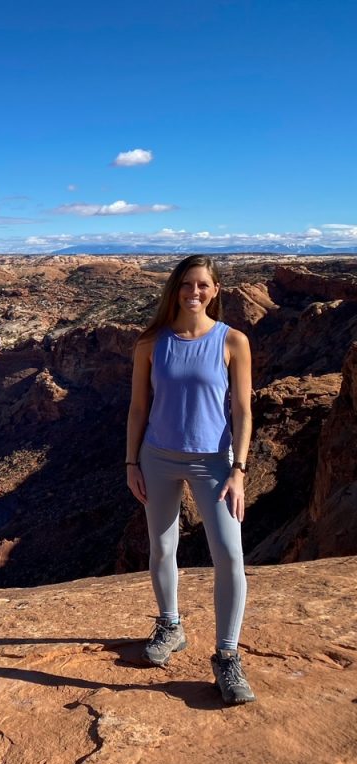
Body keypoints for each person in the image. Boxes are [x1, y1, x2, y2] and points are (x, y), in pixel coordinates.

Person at [125, 254, 256, 705]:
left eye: (202, 285)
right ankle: (170, 624)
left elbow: (242, 411)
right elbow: (138, 409)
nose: (193, 293)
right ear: (174, 290)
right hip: (157, 458)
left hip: (215, 463)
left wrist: (239, 470)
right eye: (186, 285)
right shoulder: (151, 343)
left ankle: (226, 655)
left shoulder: (233, 341)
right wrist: (131, 463)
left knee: (229, 556)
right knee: (162, 546)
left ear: (215, 290)